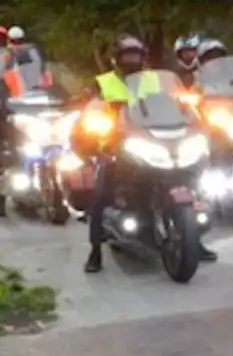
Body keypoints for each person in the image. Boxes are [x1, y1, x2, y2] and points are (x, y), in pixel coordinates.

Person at [78, 35, 218, 272]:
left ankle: (194, 240)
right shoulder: (104, 82)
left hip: (154, 138)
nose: (132, 60)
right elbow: (93, 108)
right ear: (117, 59)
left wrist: (189, 111)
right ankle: (95, 251)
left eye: (136, 56)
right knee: (101, 193)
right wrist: (96, 121)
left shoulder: (153, 80)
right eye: (127, 56)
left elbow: (171, 102)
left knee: (193, 177)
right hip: (116, 144)